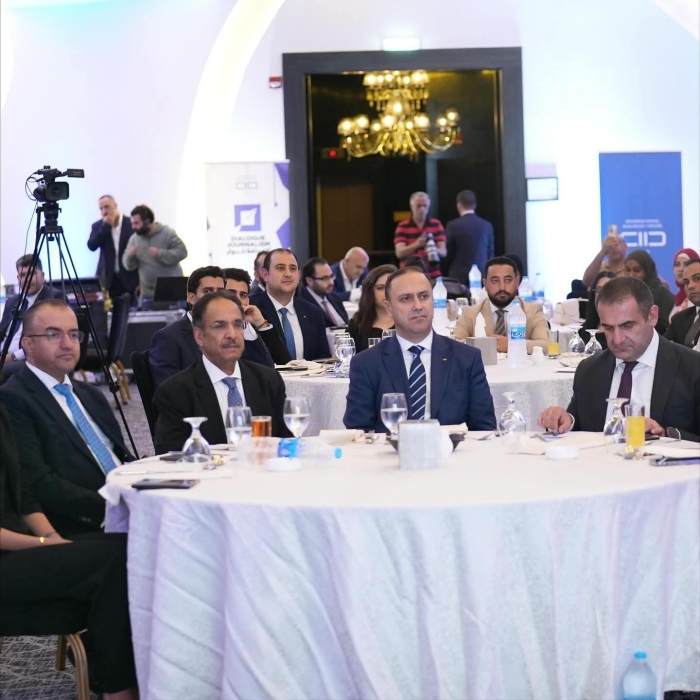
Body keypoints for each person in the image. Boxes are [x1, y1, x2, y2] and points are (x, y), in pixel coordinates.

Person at [0, 408, 138, 700]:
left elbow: (23, 495)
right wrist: (42, 544)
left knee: (128, 546)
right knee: (113, 562)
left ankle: (113, 671)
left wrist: (52, 538)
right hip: (8, 556)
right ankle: (118, 689)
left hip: (19, 546)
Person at [0, 300, 134, 535]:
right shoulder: (12, 399)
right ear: (28, 344)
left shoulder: (92, 395)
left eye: (73, 335)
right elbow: (37, 482)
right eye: (53, 335)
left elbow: (120, 455)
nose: (67, 344)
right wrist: (115, 506)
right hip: (82, 522)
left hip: (130, 501)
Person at [538, 276, 699, 441]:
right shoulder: (589, 370)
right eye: (608, 328)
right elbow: (582, 428)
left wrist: (666, 433)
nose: (617, 339)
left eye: (627, 326)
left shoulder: (692, 368)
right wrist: (567, 421)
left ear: (652, 316)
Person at [344, 267, 497, 433]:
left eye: (424, 296)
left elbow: (484, 428)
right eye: (406, 299)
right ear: (389, 308)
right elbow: (358, 432)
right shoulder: (366, 363)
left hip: (452, 448)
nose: (418, 306)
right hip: (390, 449)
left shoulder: (467, 358)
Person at [153, 292, 291, 453]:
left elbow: (287, 443)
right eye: (219, 326)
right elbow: (171, 456)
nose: (232, 334)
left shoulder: (268, 380)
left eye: (237, 324)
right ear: (199, 336)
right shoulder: (176, 392)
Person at [149, 266, 276, 387]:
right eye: (207, 291)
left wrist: (246, 326)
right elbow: (168, 390)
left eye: (220, 292)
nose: (215, 298)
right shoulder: (168, 338)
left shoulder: (233, 330)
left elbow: (266, 373)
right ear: (191, 298)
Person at [453, 256, 548, 354]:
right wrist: (483, 345)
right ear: (485, 284)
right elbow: (454, 346)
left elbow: (546, 345)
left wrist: (511, 345)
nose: (502, 287)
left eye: (508, 280)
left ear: (517, 282)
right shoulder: (469, 313)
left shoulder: (533, 311)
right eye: (495, 281)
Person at [249, 248, 330, 361]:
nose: (288, 274)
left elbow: (323, 359)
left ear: (299, 275)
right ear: (265, 274)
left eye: (293, 268)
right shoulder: (252, 310)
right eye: (280, 268)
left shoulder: (313, 312)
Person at [0, 255, 58, 376]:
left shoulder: (53, 298)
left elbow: (48, 341)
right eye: (23, 275)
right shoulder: (12, 301)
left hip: (29, 360)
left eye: (32, 274)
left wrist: (13, 357)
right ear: (18, 278)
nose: (28, 279)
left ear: (42, 275)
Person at [223, 267, 291, 365]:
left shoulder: (251, 326)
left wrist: (261, 323)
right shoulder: (212, 328)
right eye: (231, 293)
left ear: (248, 301)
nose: (238, 299)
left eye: (243, 295)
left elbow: (284, 362)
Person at [122, 204, 187, 304]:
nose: (133, 227)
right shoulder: (134, 239)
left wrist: (160, 254)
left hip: (172, 290)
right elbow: (128, 265)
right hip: (147, 293)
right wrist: (130, 257)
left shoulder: (167, 233)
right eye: (132, 223)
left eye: (136, 223)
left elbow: (183, 252)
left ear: (147, 221)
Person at [87, 195, 138, 302]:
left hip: (130, 279)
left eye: (107, 207)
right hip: (109, 279)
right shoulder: (98, 226)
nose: (104, 212)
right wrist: (106, 227)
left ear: (115, 205)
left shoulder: (131, 224)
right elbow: (91, 246)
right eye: (101, 209)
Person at [443, 189, 495, 284]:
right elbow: (490, 254)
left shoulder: (453, 225)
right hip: (482, 276)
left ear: (459, 205)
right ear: (475, 205)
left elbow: (448, 253)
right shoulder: (487, 226)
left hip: (458, 277)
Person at [393, 192, 446, 280]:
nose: (422, 209)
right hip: (409, 275)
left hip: (433, 275)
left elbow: (443, 252)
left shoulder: (436, 224)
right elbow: (399, 253)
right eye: (418, 206)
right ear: (411, 206)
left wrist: (432, 248)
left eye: (425, 206)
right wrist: (416, 244)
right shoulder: (402, 226)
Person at [347, 264, 397, 352]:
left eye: (391, 287)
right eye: (380, 288)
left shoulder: (408, 321)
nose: (386, 292)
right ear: (370, 291)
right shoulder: (357, 323)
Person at [624, 249, 674, 335]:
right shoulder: (623, 292)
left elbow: (665, 326)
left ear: (647, 270)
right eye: (628, 270)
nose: (631, 275)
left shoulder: (662, 293)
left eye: (637, 270)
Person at [301, 257, 349, 328]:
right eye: (325, 278)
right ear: (309, 281)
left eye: (331, 276)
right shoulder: (301, 303)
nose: (331, 282)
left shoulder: (334, 297)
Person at [665, 258, 700, 350]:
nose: (690, 286)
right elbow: (663, 350)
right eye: (686, 282)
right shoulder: (678, 319)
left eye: (697, 278)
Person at [578, 271, 616, 349]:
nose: (603, 294)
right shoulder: (583, 330)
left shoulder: (622, 331)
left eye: (609, 290)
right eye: (599, 290)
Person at [670, 247, 699, 317]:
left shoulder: (696, 297)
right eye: (677, 264)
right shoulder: (675, 299)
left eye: (686, 264)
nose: (681, 269)